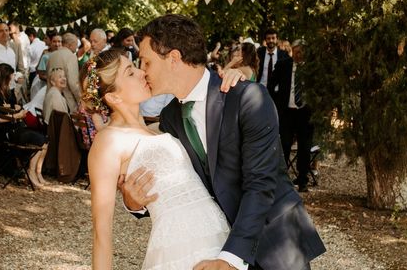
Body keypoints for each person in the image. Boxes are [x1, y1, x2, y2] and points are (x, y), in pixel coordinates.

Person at [121, 14, 325, 270]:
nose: (142, 71)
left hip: (275, 242)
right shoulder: (170, 117)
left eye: (145, 61)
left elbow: (261, 183)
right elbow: (180, 186)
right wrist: (135, 203)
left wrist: (230, 257)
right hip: (216, 244)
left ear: (173, 58)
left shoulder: (247, 98)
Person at [86, 49, 231, 270]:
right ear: (114, 97)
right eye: (130, 73)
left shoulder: (161, 127)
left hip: (219, 238)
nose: (142, 72)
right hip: (179, 250)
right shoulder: (108, 142)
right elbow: (101, 231)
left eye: (136, 66)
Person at [0, 63, 48, 189]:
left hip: (14, 127)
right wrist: (16, 116)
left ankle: (35, 172)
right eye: (11, 78)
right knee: (41, 140)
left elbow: (14, 106)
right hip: (3, 132)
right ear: (4, 79)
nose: (13, 81)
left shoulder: (7, 93)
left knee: (44, 138)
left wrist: (17, 109)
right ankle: (31, 172)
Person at [268, 39, 314, 192]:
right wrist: (275, 102)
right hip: (287, 112)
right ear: (292, 51)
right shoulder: (283, 64)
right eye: (297, 51)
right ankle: (281, 178)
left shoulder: (311, 68)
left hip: (305, 113)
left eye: (302, 52)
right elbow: (270, 84)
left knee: (304, 147)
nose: (299, 55)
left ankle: (302, 180)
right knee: (285, 145)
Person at [44, 33, 81, 113]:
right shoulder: (71, 57)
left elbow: (47, 75)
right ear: (70, 45)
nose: (77, 47)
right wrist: (80, 100)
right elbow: (73, 83)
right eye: (76, 44)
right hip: (65, 101)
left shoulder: (51, 55)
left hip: (50, 98)